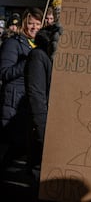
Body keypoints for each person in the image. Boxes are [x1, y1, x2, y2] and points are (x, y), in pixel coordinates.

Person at [0, 7, 43, 166]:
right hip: (12, 105)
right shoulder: (13, 43)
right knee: (9, 150)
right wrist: (28, 61)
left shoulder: (38, 45)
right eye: (31, 23)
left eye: (38, 24)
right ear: (24, 23)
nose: (35, 27)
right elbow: (4, 72)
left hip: (27, 106)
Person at [24, 23, 62, 183]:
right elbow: (36, 96)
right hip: (44, 131)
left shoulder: (61, 58)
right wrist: (44, 134)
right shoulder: (39, 56)